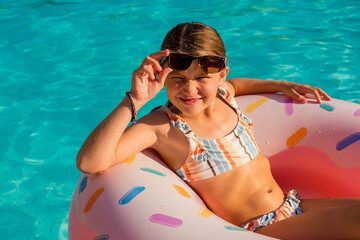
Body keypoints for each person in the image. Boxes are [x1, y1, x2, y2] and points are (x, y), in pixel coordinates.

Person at [76, 22, 360, 239]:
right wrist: (134, 100)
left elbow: (238, 85)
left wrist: (281, 85)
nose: (189, 90)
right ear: (162, 76)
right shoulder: (163, 127)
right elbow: (91, 161)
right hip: (259, 229)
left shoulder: (224, 95)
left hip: (292, 204)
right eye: (177, 79)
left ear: (220, 74)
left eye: (202, 78)